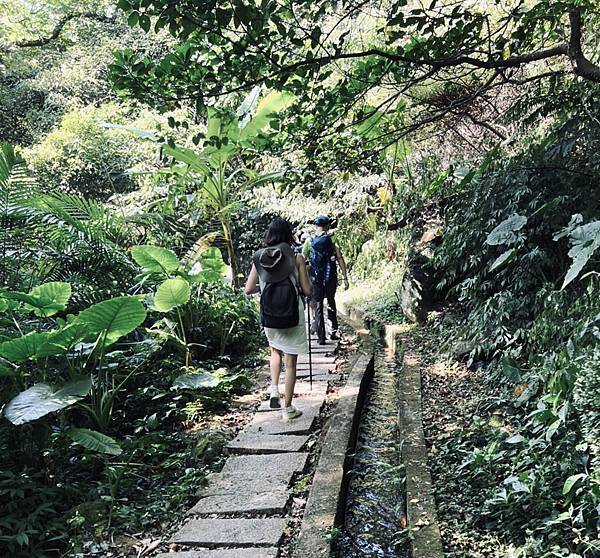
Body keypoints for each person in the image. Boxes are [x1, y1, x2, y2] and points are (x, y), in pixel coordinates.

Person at [245, 217, 313, 421]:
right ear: (288, 234)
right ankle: (288, 408)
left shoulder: (258, 258)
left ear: (270, 235)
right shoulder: (296, 257)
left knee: (275, 351)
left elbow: (248, 289)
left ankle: (274, 389)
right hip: (292, 313)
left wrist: (264, 287)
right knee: (291, 363)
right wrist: (306, 280)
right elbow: (307, 290)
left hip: (270, 314)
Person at [303, 215, 349, 345]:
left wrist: (302, 281)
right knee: (330, 301)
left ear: (315, 226)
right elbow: (339, 258)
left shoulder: (309, 241)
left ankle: (321, 337)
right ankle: (333, 332)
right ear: (328, 226)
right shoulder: (332, 240)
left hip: (316, 278)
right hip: (330, 277)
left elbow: (302, 260)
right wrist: (345, 277)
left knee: (318, 305)